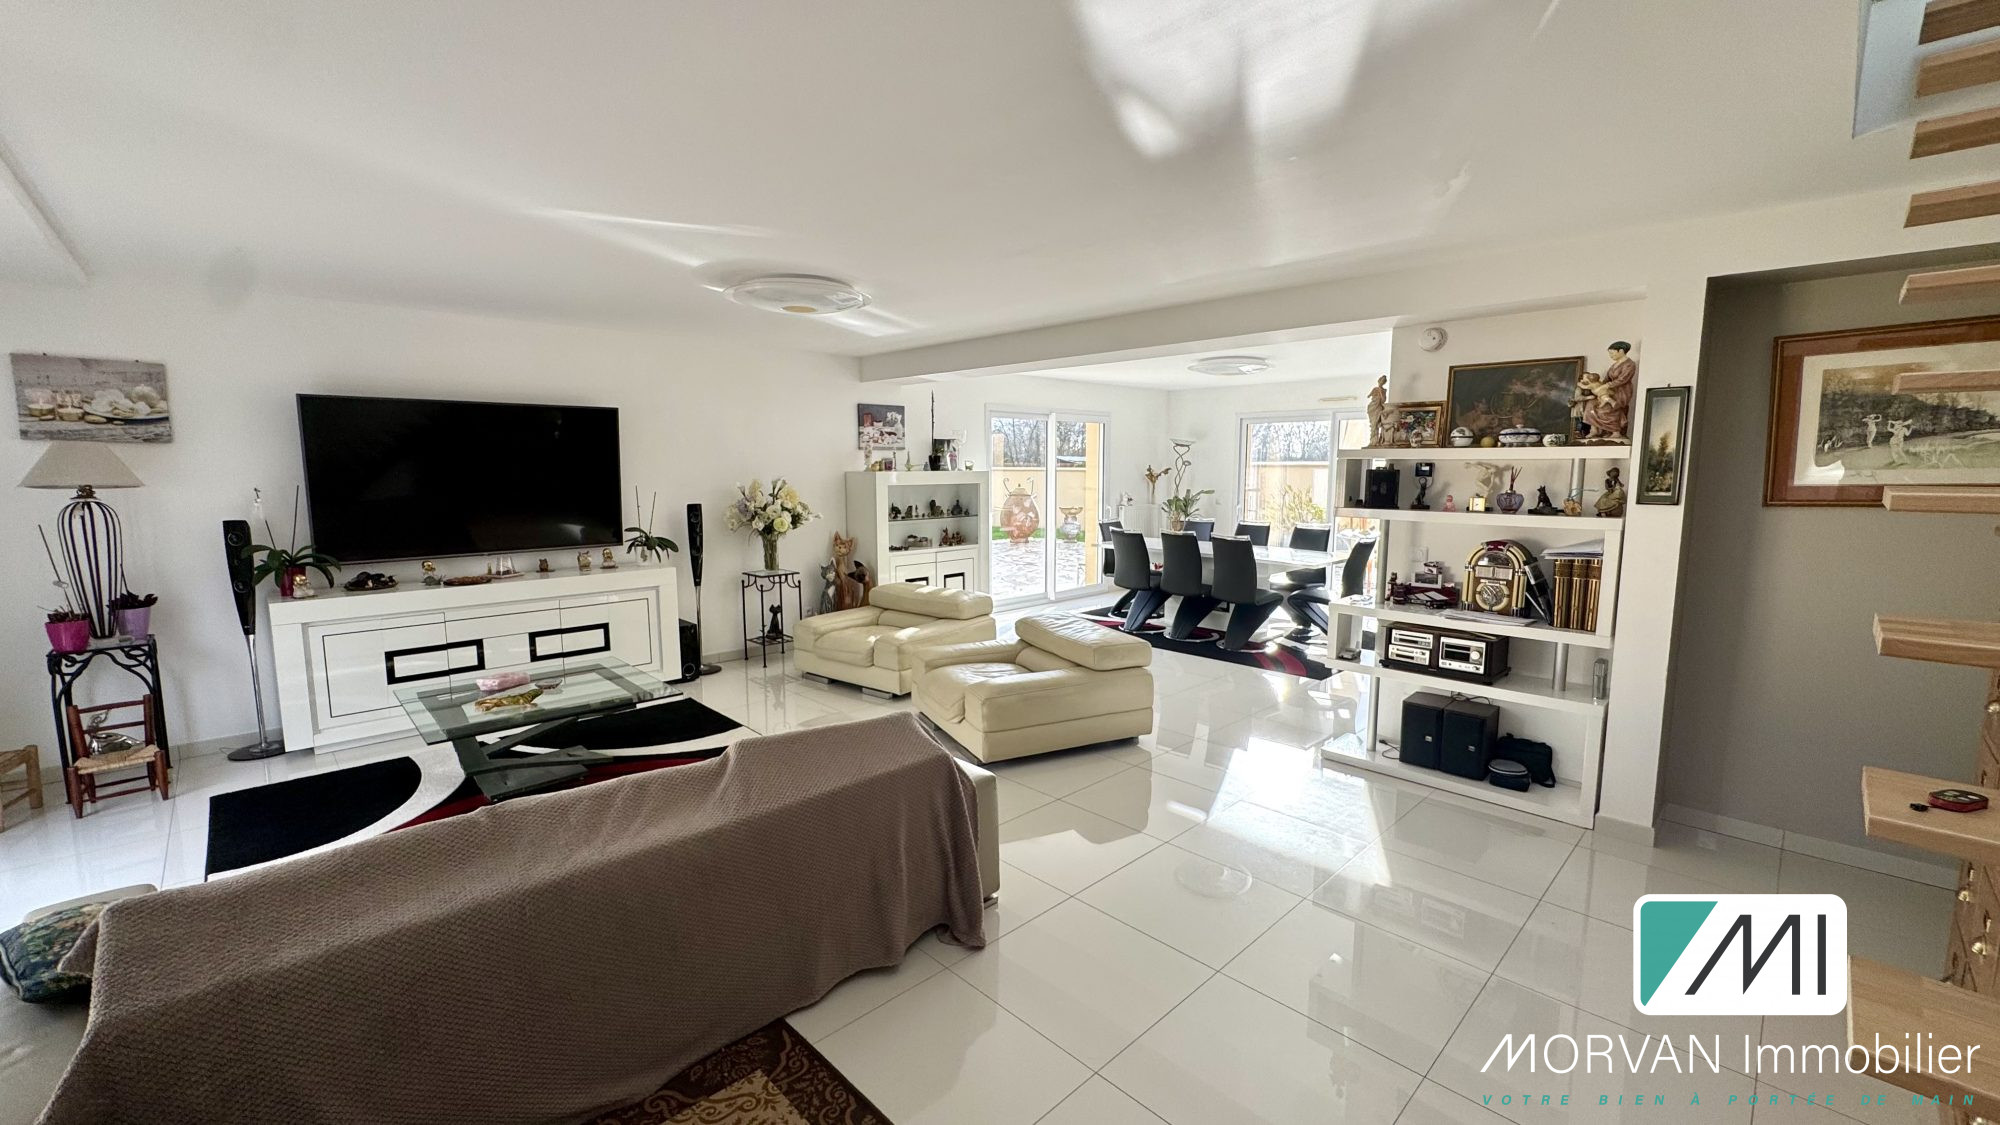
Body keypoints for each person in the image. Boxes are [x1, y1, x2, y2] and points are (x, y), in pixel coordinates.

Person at [1580, 341, 1637, 443]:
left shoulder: (1630, 364)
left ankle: (1616, 431)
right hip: (1608, 391)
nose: (1610, 355)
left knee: (1607, 407)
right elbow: (1606, 379)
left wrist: (1606, 386)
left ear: (1621, 351)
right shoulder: (1614, 365)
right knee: (1590, 403)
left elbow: (1623, 379)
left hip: (1621, 392)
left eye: (1612, 353)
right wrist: (1597, 386)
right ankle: (1594, 429)